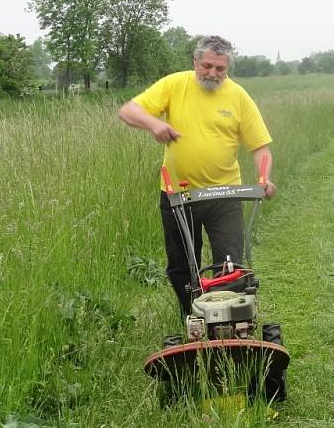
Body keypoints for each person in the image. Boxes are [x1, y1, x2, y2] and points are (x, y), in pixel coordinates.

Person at [118, 35, 276, 317]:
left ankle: (232, 326)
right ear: (195, 62)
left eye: (220, 69)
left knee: (230, 267)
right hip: (177, 196)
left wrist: (264, 178)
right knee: (182, 267)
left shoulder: (238, 96)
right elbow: (128, 111)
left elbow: (260, 147)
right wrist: (154, 124)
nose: (212, 74)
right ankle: (192, 320)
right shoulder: (174, 84)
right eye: (206, 66)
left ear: (227, 68)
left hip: (225, 196)